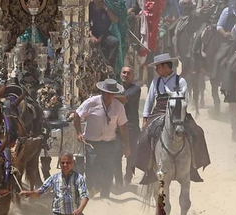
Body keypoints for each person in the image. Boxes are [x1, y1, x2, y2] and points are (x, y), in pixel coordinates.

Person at [133, 53, 209, 185]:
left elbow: (183, 98)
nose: (156, 70)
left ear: (165, 66)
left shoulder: (180, 81)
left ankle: (194, 166)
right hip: (158, 112)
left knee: (197, 132)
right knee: (144, 136)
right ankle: (149, 168)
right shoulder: (155, 82)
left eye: (158, 67)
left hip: (178, 113)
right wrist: (145, 117)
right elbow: (150, 100)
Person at [73, 78, 129, 200]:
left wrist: (126, 145)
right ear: (103, 92)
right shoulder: (91, 102)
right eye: (107, 93)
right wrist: (78, 133)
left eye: (112, 94)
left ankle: (105, 194)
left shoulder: (118, 106)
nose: (109, 96)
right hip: (92, 141)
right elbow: (77, 115)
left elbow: (123, 126)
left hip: (109, 142)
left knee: (109, 167)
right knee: (92, 166)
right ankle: (90, 189)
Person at [118, 65, 142, 186]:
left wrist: (107, 96)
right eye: (124, 73)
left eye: (128, 73)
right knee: (115, 153)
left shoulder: (136, 89)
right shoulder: (116, 88)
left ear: (132, 76)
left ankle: (128, 177)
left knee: (130, 154)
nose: (125, 75)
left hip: (131, 126)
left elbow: (124, 99)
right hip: (116, 126)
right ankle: (117, 179)